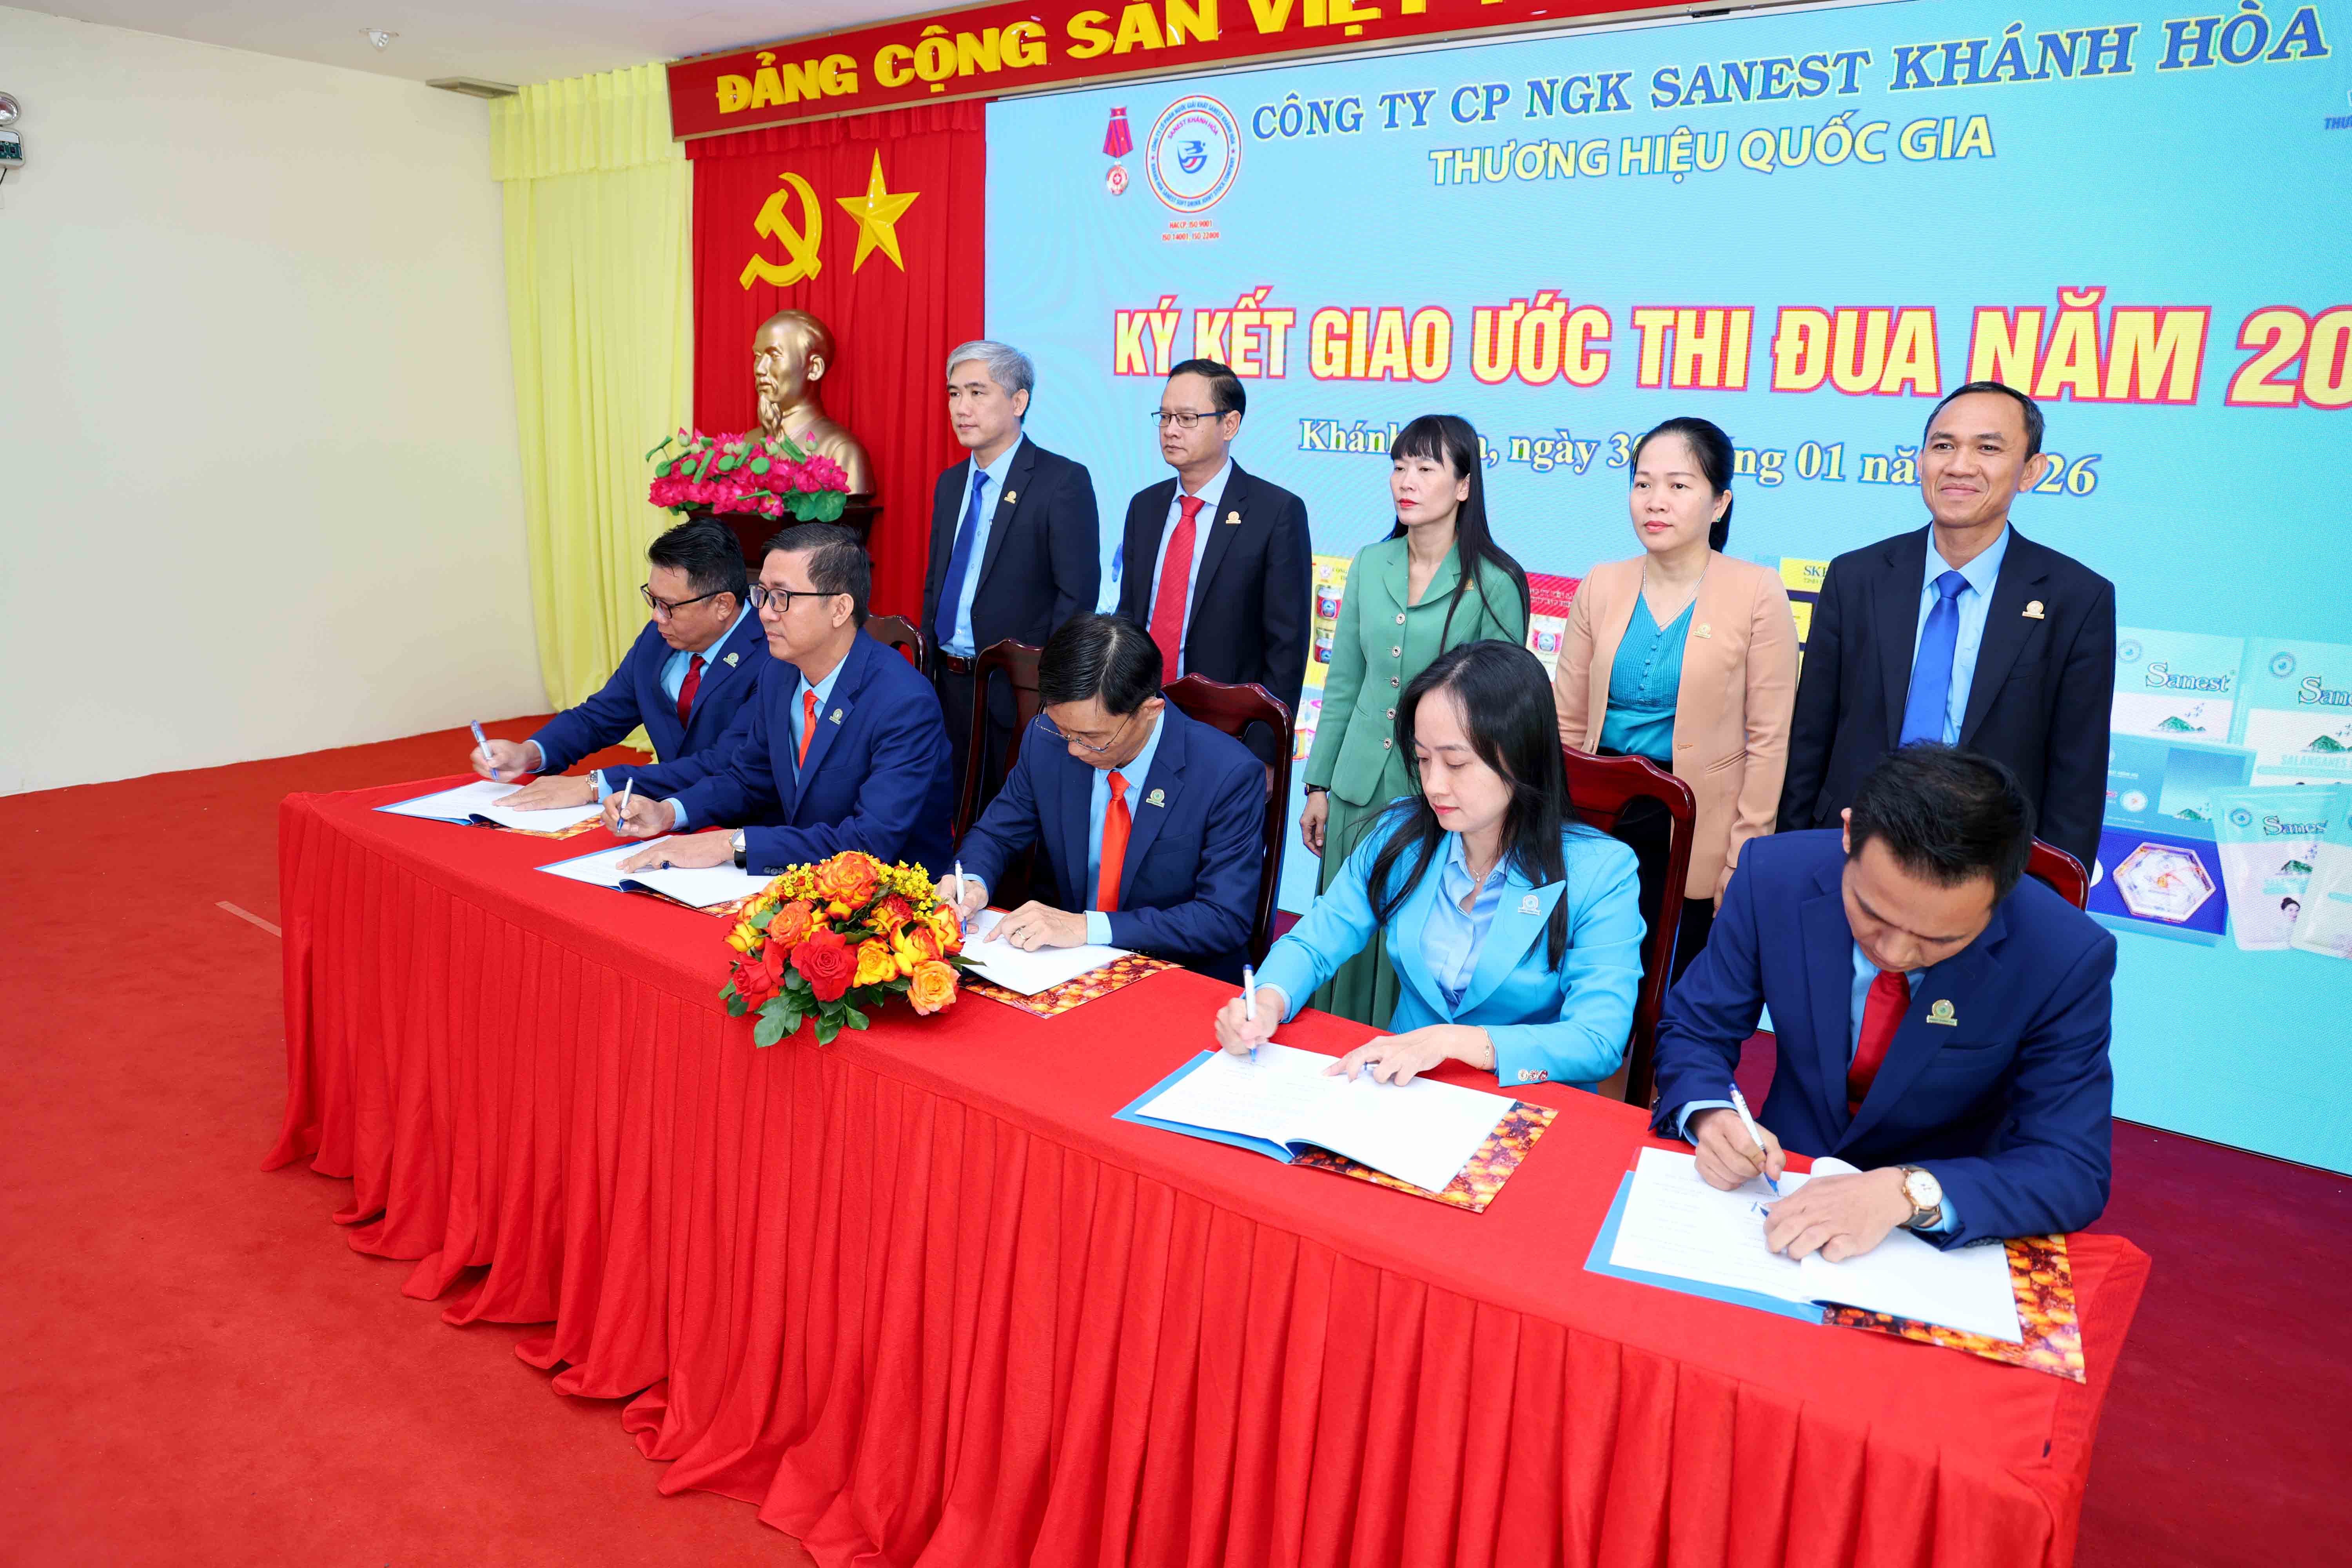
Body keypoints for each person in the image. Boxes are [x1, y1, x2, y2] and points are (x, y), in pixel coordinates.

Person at [1654, 744, 2115, 1258]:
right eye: (1872, 913)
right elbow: (1695, 1028)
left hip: (1933, 1232)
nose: (1893, 954)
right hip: (1780, 1183)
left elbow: (2071, 1166)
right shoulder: (1774, 877)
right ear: (1849, 834)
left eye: (1938, 940)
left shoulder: (2063, 956)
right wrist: (1711, 1112)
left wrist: (1906, 1192)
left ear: (1998, 897)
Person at [1216, 641, 1644, 1091]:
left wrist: (1457, 1043)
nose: (1434, 785)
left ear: (1522, 757)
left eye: (1456, 763)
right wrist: (1267, 1001)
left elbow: (1598, 1040)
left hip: (1527, 1101)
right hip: (1404, 1089)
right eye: (1423, 759)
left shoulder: (1602, 872)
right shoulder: (1401, 835)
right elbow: (1316, 941)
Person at [1777, 381, 2115, 871]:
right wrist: (1789, 856)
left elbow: (2078, 776)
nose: (1959, 466)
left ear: (2031, 471)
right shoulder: (1856, 577)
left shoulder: (2077, 599)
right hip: (1848, 847)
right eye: (1943, 446)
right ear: (1920, 461)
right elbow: (1811, 736)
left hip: (1988, 868)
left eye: (1988, 448)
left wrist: (2055, 892)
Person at [1297, 414, 1532, 1027]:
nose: (1407, 481)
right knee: (1343, 935)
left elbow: (1504, 709)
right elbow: (1344, 683)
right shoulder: (1370, 563)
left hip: (1439, 798)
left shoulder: (1495, 582)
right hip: (1357, 790)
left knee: (1414, 939)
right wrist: (1319, 784)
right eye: (1400, 466)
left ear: (1464, 485)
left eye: (1427, 468)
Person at [1553, 417, 1797, 979]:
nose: (1655, 501)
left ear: (1720, 503)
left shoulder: (1757, 591)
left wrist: (1744, 856)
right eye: (1643, 484)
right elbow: (1565, 722)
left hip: (1696, 824)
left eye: (1678, 485)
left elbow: (1768, 741)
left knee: (1677, 988)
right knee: (1589, 977)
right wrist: (1553, 826)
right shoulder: (1601, 583)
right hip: (1598, 816)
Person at [606, 523, 953, 877]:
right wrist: (669, 812)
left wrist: (731, 844)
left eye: (782, 598)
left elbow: (870, 841)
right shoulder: (779, 673)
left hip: (893, 892)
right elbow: (748, 779)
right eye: (763, 594)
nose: (765, 613)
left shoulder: (904, 703)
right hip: (802, 877)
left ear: (839, 609)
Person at [938, 615, 1266, 982]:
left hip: (1176, 975)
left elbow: (1223, 918)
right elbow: (997, 834)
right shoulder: (1046, 740)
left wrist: (1087, 928)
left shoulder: (1228, 775)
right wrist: (972, 881)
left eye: (1092, 738)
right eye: (1065, 731)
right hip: (1063, 969)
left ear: (1149, 710)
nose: (1075, 750)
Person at [921, 339, 1101, 817]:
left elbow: (1077, 599)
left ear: (1018, 401)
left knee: (1012, 823)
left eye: (977, 392)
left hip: (1018, 692)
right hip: (947, 686)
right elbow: (937, 584)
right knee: (946, 816)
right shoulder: (951, 483)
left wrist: (1048, 692)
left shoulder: (1061, 481)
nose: (961, 408)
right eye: (954, 393)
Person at [477, 516, 768, 807]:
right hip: (660, 812)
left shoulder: (770, 654)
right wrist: (529, 753)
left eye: (668, 606)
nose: (656, 616)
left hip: (741, 818)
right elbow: (602, 715)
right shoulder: (660, 637)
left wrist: (596, 785)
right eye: (653, 600)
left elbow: (725, 763)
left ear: (722, 605)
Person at [1113, 358, 1310, 764]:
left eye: (1187, 419)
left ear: (1230, 424)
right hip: (1137, 723)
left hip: (1228, 734)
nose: (1171, 430)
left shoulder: (1275, 513)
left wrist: (1266, 751)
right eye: (1165, 417)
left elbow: (1286, 650)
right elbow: (1130, 617)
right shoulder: (1145, 507)